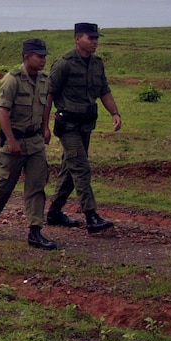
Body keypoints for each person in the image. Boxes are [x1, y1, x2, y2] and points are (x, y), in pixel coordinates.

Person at [0, 38, 57, 249]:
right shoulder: (11, 80)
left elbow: (46, 104)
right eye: (39, 56)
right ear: (26, 57)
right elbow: (2, 111)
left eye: (44, 56)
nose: (43, 60)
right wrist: (11, 140)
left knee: (36, 186)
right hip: (14, 143)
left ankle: (35, 231)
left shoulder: (44, 80)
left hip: (35, 142)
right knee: (3, 187)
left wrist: (45, 127)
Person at [43, 22, 121, 233]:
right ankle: (91, 215)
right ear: (78, 38)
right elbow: (48, 95)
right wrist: (45, 126)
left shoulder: (97, 64)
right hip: (67, 125)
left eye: (96, 38)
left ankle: (54, 212)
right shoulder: (64, 64)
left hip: (86, 124)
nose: (95, 41)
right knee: (81, 168)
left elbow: (104, 90)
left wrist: (114, 113)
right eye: (90, 37)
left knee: (70, 169)